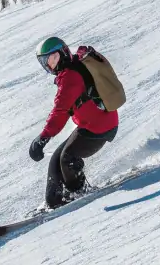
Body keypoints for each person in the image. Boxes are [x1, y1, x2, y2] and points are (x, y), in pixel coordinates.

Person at [29, 36, 119, 208]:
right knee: (56, 159)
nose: (49, 65)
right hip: (91, 123)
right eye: (46, 62)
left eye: (52, 59)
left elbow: (60, 112)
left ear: (62, 52)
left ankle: (80, 192)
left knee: (67, 158)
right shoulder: (71, 68)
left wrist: (42, 138)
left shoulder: (70, 76)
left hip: (99, 126)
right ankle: (53, 200)